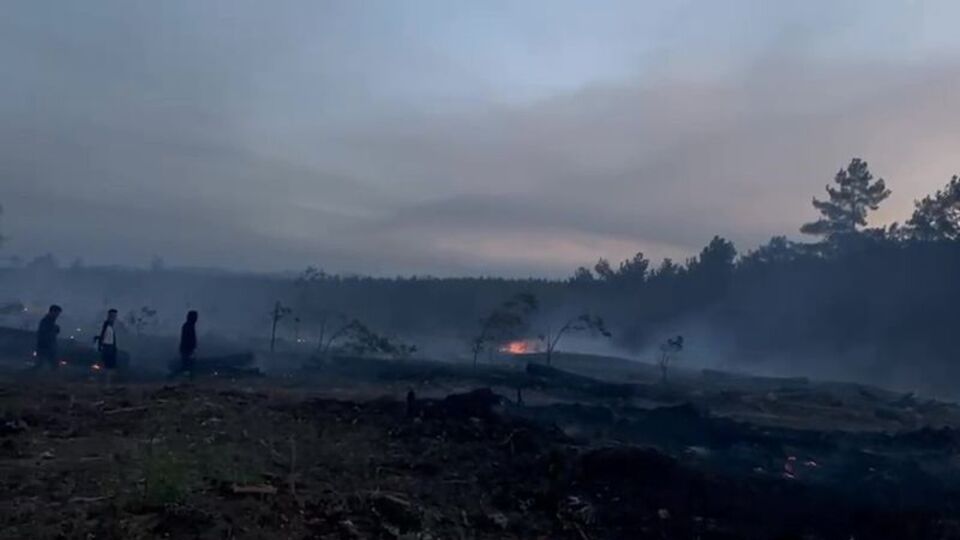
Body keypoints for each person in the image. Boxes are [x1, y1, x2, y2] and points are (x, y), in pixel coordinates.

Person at [94, 309, 119, 384]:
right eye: (112, 316)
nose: (113, 317)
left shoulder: (111, 327)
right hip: (106, 347)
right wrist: (100, 346)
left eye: (114, 316)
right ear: (109, 316)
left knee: (110, 367)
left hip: (110, 347)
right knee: (106, 367)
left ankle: (107, 383)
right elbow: (102, 335)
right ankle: (103, 383)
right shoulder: (106, 325)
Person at [35, 304, 62, 370]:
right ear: (52, 312)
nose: (57, 315)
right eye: (57, 313)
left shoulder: (49, 321)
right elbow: (45, 333)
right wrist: (55, 329)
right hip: (46, 346)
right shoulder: (46, 321)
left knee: (41, 365)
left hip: (46, 346)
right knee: (52, 365)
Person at [177, 310, 198, 377]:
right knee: (187, 365)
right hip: (187, 349)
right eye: (195, 317)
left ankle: (189, 378)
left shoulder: (188, 325)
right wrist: (192, 348)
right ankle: (172, 376)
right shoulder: (188, 326)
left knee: (189, 365)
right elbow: (188, 339)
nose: (196, 319)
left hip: (187, 349)